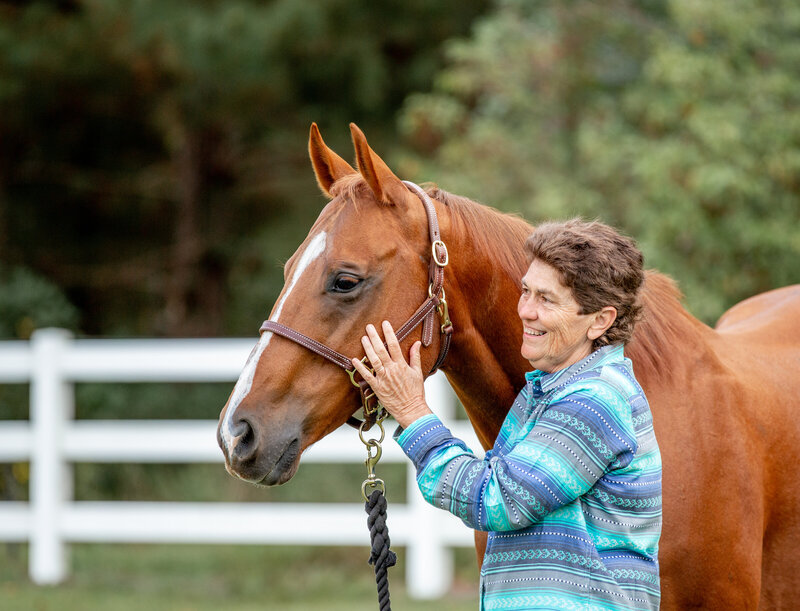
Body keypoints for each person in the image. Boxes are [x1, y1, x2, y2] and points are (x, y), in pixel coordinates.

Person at [351, 219, 662, 611]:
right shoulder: (551, 390)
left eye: (546, 300)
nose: (526, 311)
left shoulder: (593, 400)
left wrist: (413, 413)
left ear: (600, 320)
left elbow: (498, 500)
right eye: (526, 291)